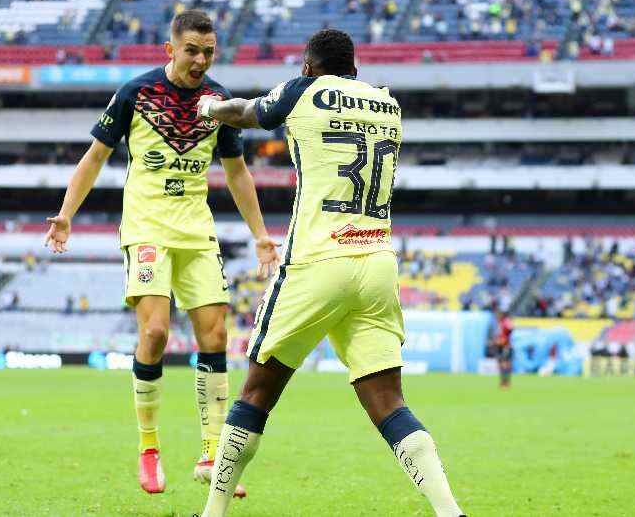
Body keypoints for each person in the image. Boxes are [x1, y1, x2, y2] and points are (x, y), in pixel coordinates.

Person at [194, 29, 465, 516]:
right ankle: (451, 512)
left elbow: (247, 112)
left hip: (317, 260)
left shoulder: (303, 90)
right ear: (354, 68)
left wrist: (210, 108)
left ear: (307, 65)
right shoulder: (388, 104)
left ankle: (212, 513)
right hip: (377, 262)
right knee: (390, 402)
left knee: (256, 392)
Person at [44, 10, 279, 496]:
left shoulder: (218, 102)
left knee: (216, 335)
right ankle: (149, 447)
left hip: (196, 230)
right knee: (154, 332)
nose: (201, 60)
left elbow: (236, 172)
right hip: (147, 227)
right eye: (192, 50)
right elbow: (94, 157)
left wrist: (259, 234)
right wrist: (66, 213)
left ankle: (212, 454)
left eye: (208, 52)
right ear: (170, 49)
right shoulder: (136, 93)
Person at [495, 309, 513, 388]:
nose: (497, 316)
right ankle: (503, 381)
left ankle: (506, 382)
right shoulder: (500, 323)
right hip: (500, 346)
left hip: (506, 346)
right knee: (501, 364)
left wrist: (503, 340)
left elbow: (510, 329)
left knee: (505, 364)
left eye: (499, 314)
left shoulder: (506, 322)